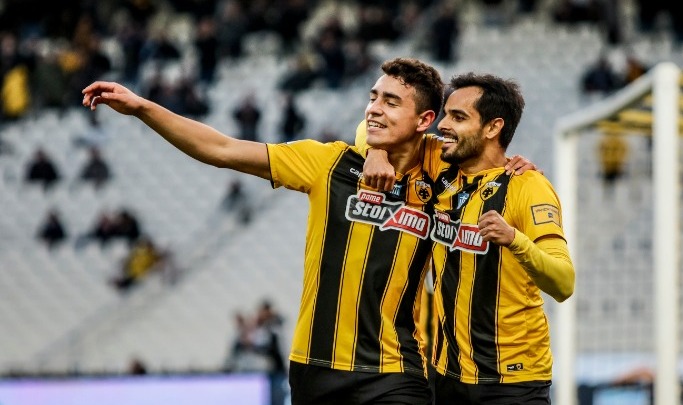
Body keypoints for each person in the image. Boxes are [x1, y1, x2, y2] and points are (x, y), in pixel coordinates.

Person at [82, 59, 536, 405]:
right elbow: (221, 148)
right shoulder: (328, 163)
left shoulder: (442, 170)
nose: (374, 109)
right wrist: (142, 107)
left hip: (396, 370)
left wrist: (514, 167)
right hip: (314, 367)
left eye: (390, 102)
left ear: (424, 121)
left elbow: (485, 158)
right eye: (373, 97)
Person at [361, 73, 575, 404]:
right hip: (447, 376)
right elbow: (375, 128)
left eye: (458, 117)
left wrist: (514, 240)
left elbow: (563, 283)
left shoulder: (528, 186)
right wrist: (376, 151)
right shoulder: (438, 167)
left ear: (493, 128)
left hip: (512, 381)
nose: (443, 125)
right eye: (445, 114)